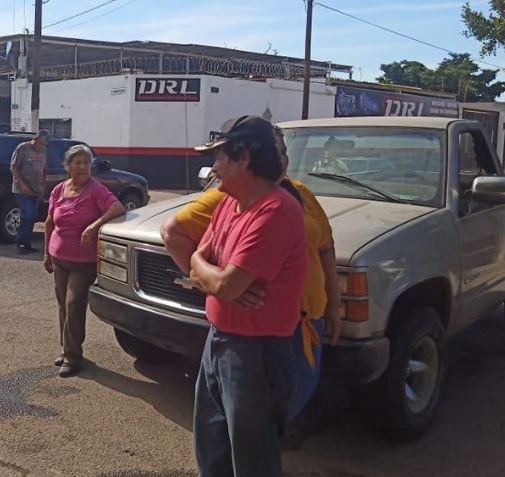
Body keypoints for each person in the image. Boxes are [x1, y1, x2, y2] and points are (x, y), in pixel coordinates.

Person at [162, 123, 342, 423]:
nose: (281, 159)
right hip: (255, 332)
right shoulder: (230, 198)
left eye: (283, 152)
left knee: (280, 412)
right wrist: (219, 284)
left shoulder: (300, 196)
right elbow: (175, 234)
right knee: (251, 424)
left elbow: (325, 247)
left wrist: (334, 305)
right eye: (274, 151)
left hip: (306, 324)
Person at [185, 116, 307, 476]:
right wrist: (207, 270)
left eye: (219, 157)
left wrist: (213, 277)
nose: (213, 168)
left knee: (253, 462)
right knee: (212, 452)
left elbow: (222, 284)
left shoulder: (276, 210)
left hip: (257, 353)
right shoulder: (229, 203)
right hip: (218, 341)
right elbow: (200, 263)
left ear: (244, 157)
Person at [43, 145, 125, 377]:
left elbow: (117, 208)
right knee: (63, 304)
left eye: (86, 163)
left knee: (73, 304)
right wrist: (46, 253)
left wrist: (94, 226)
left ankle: (73, 355)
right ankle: (66, 348)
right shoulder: (59, 189)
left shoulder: (95, 189)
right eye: (78, 163)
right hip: (59, 257)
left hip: (83, 261)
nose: (83, 167)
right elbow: (49, 222)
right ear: (68, 166)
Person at [11, 129, 50, 254]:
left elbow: (44, 170)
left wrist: (43, 185)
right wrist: (22, 185)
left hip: (36, 189)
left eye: (44, 144)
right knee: (28, 214)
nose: (42, 146)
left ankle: (26, 243)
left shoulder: (44, 151)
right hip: (22, 189)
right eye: (41, 143)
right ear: (35, 139)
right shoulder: (23, 148)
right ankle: (19, 242)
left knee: (32, 217)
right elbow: (13, 167)